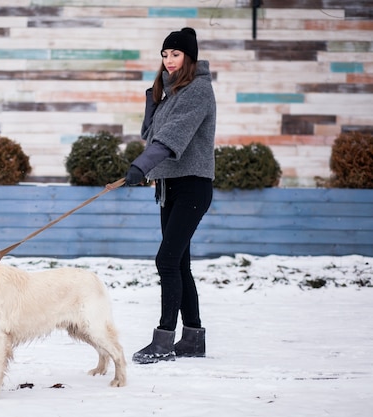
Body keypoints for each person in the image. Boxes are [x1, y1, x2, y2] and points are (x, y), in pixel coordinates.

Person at [124, 27, 216, 363]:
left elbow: (171, 138)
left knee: (166, 260)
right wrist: (154, 98)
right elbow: (151, 132)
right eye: (165, 55)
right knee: (179, 262)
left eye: (175, 54)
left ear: (189, 57)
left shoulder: (198, 90)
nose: (169, 60)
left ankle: (163, 341)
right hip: (171, 186)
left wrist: (141, 166)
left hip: (193, 183)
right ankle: (192, 338)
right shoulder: (173, 92)